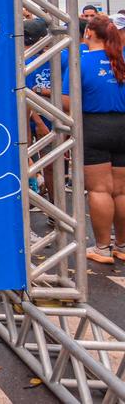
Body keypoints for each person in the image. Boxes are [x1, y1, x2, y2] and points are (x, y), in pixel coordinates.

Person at [65, 15, 125, 264]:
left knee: (100, 189)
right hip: (122, 126)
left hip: (94, 126)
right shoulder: (121, 59)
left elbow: (67, 101)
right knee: (121, 191)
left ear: (88, 32)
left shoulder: (81, 61)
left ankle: (102, 247)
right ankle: (122, 245)